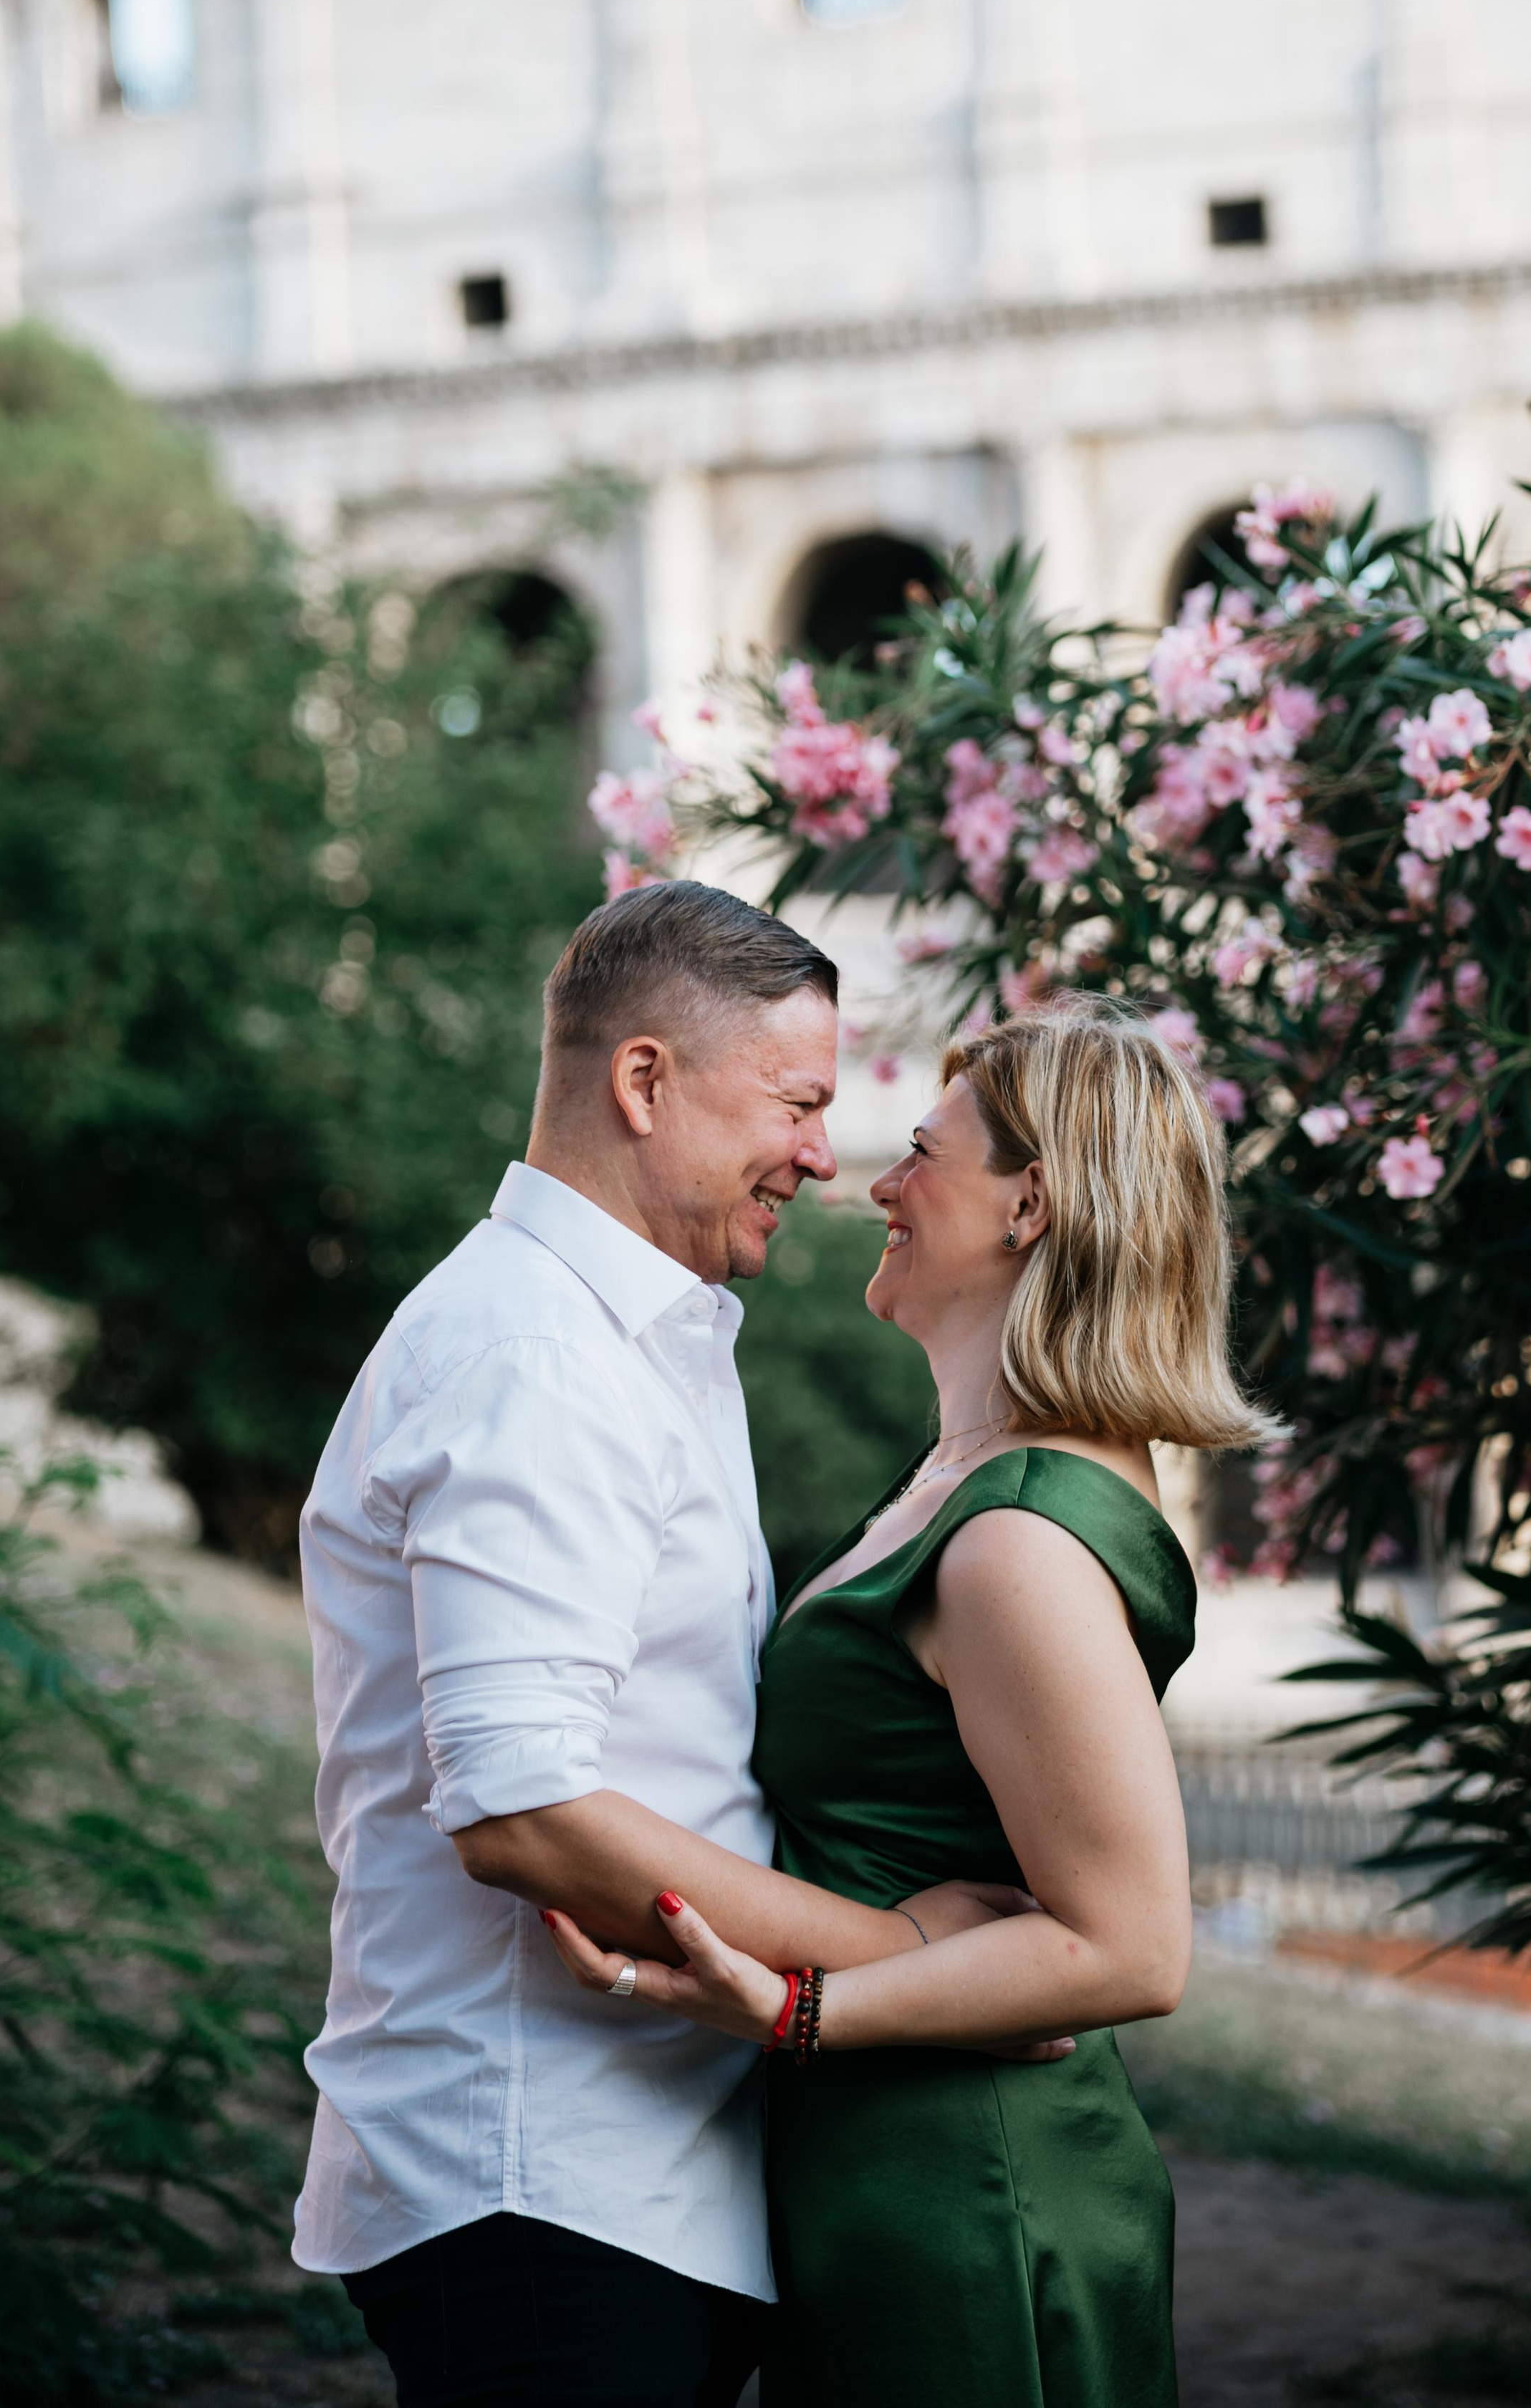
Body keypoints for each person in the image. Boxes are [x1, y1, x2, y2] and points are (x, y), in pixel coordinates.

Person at [294, 883, 1032, 2408]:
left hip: (621, 2175)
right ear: (643, 1081)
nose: (825, 1156)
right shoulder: (539, 1356)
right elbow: (521, 1809)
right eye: (798, 1104)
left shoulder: (630, 1336)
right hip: (542, 2173)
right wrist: (896, 1960)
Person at [540, 997, 1280, 2407]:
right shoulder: (959, 1484)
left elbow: (1130, 1950)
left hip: (970, 2191)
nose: (870, 1182)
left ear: (1029, 1206)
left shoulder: (1018, 1539)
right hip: (885, 2172)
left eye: (919, 1153)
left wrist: (794, 2010)